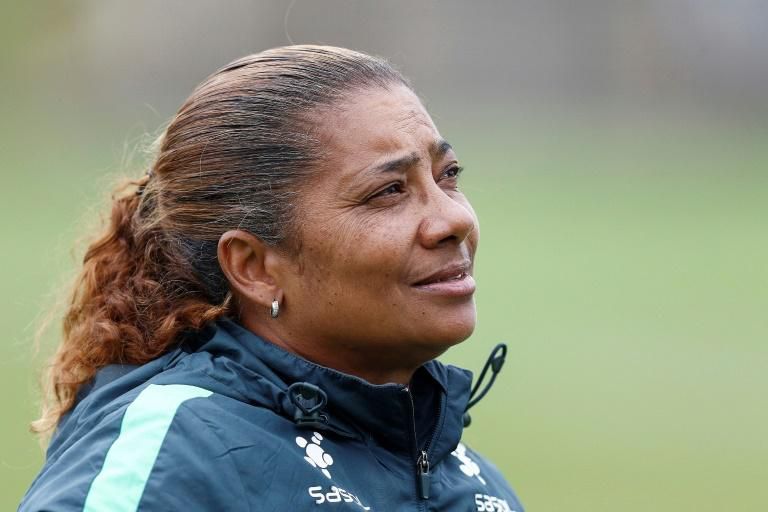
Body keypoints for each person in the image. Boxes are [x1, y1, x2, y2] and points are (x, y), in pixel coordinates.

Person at [20, 45, 524, 511]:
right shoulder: (173, 454)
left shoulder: (475, 484)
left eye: (447, 175)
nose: (454, 221)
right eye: (388, 190)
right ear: (254, 268)